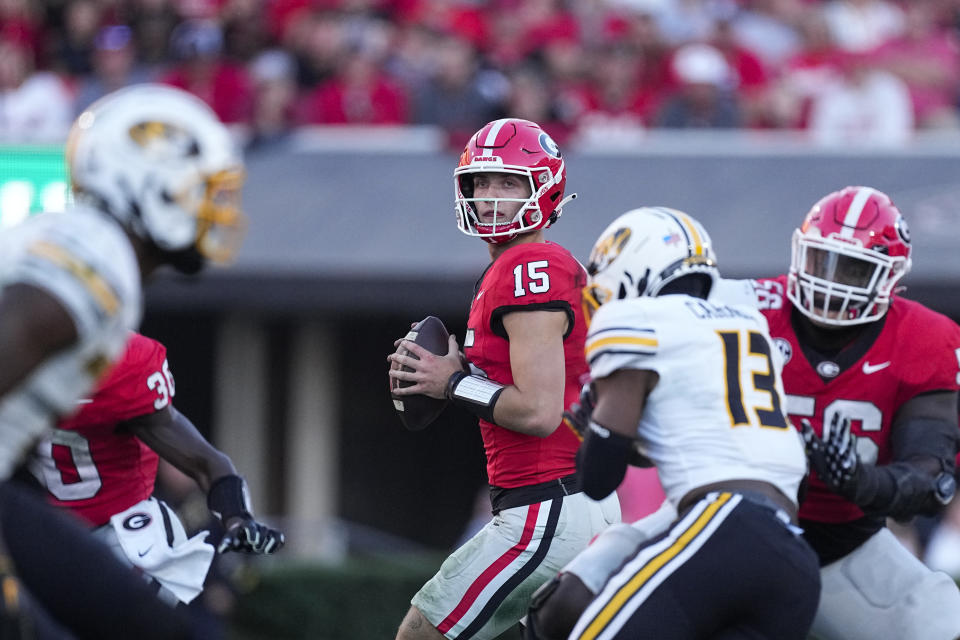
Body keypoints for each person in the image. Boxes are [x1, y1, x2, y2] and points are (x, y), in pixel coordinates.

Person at [0, 83, 247, 638]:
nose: (214, 209)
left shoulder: (85, 248)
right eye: (198, 191)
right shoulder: (91, 267)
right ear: (146, 184)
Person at [526, 207, 819, 640]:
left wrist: (595, 428)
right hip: (793, 560)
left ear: (629, 274)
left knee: (559, 616)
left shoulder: (636, 323)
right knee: (570, 601)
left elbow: (599, 477)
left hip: (721, 527)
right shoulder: (750, 327)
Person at [387, 117, 620, 640]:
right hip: (572, 501)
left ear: (545, 187)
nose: (490, 195)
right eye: (482, 181)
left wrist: (451, 382)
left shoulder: (528, 265)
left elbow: (538, 412)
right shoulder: (524, 265)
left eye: (509, 182)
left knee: (420, 636)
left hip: (546, 506)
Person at [735, 185, 960, 640]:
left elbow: (930, 477)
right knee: (591, 586)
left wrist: (862, 483)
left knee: (940, 622)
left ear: (890, 277)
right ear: (801, 252)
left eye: (854, 269)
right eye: (823, 260)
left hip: (841, 543)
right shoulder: (746, 305)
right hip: (728, 527)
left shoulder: (924, 338)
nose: (832, 281)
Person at [31, 331, 284, 607]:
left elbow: (203, 461)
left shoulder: (123, 364)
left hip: (120, 535)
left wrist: (237, 517)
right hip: (38, 527)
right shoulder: (14, 351)